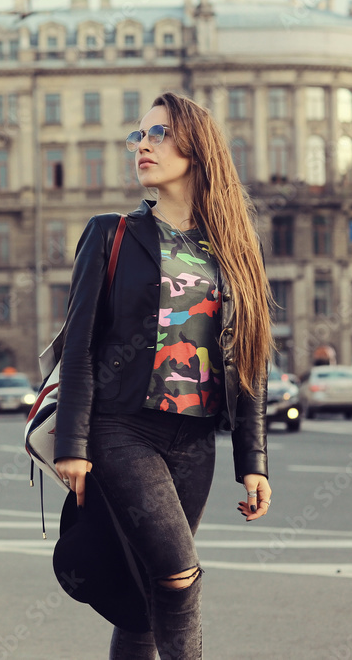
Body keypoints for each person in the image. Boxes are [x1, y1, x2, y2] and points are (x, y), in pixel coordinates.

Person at [52, 92, 273, 659]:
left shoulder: (236, 250)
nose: (142, 145)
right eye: (139, 136)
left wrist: (253, 462)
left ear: (197, 150)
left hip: (195, 440)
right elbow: (78, 346)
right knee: (178, 577)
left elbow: (248, 358)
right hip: (123, 429)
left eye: (159, 134)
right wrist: (73, 444)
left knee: (147, 592)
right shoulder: (111, 234)